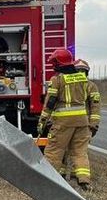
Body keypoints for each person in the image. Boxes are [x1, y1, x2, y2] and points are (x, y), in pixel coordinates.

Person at [37, 50, 98, 191]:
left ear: (59, 63)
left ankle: (48, 180)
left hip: (63, 123)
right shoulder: (84, 80)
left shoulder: (57, 80)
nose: (53, 67)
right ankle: (84, 182)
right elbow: (91, 102)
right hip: (82, 122)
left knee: (54, 151)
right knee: (80, 152)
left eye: (54, 63)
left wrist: (42, 121)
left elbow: (50, 102)